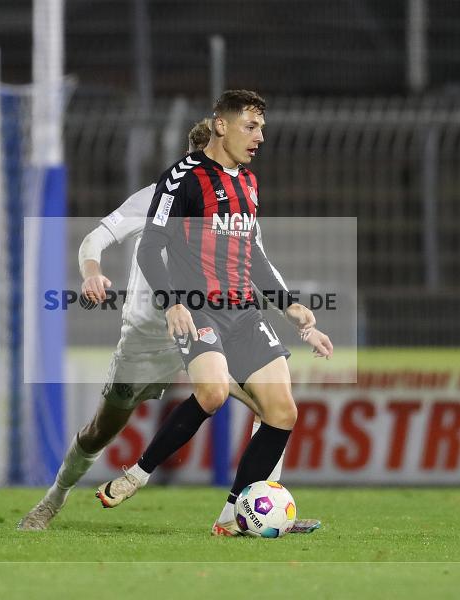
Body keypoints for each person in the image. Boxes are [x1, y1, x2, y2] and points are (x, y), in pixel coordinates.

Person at [18, 119, 332, 532]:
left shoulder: (237, 200)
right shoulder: (157, 198)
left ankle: (248, 512)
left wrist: (296, 316)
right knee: (100, 431)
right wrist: (91, 272)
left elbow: (256, 265)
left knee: (273, 407)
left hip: (209, 325)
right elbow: (94, 239)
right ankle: (53, 498)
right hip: (148, 341)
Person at [96, 90, 317, 536]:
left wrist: (288, 303)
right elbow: (151, 248)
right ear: (221, 124)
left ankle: (232, 517)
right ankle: (139, 472)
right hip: (199, 309)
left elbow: (251, 255)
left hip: (244, 312)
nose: (259, 138)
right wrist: (175, 301)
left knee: (282, 412)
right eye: (250, 127)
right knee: (213, 393)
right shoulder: (183, 176)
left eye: (262, 129)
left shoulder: (249, 184)